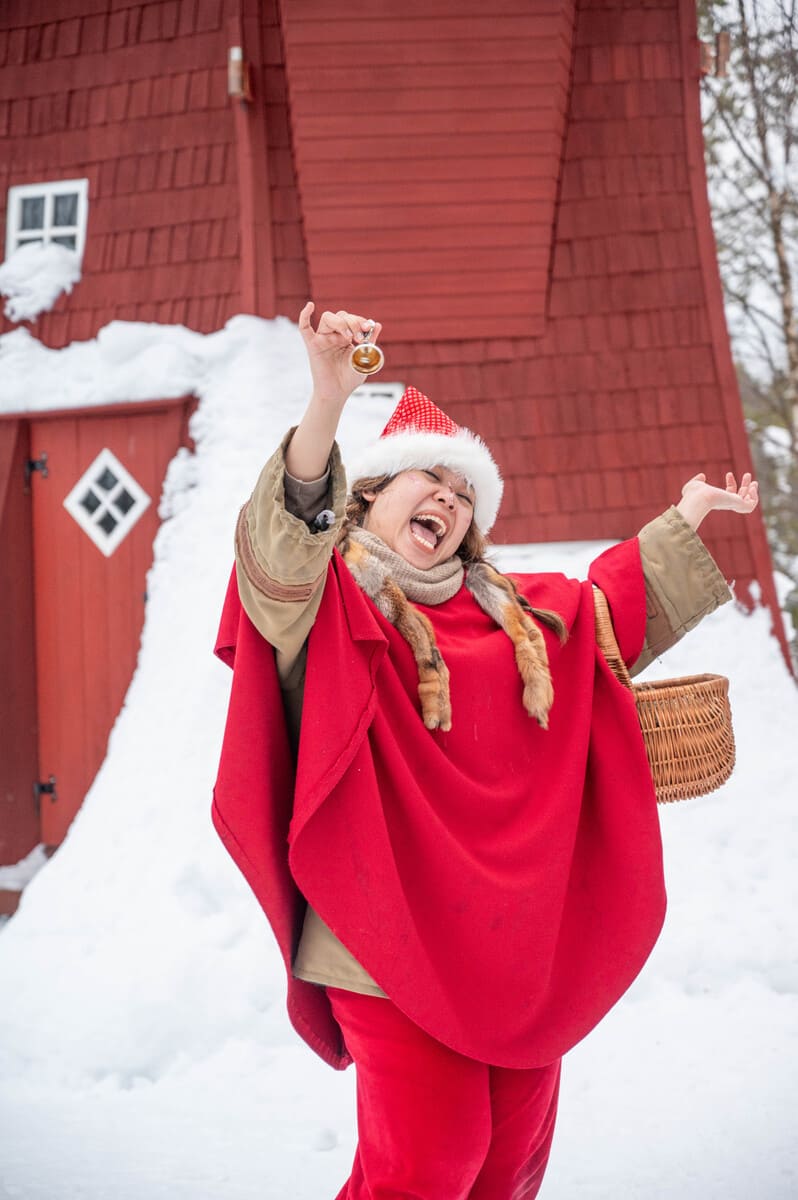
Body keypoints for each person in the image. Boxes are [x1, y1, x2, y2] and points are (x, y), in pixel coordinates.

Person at [212, 304, 759, 1200]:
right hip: (380, 936)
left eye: (463, 496)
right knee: (429, 1169)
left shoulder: (512, 614)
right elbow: (279, 552)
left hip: (507, 945)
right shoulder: (327, 602)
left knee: (508, 1169)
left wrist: (687, 517)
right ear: (371, 494)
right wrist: (326, 402)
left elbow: (601, 621)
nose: (449, 501)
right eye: (428, 480)